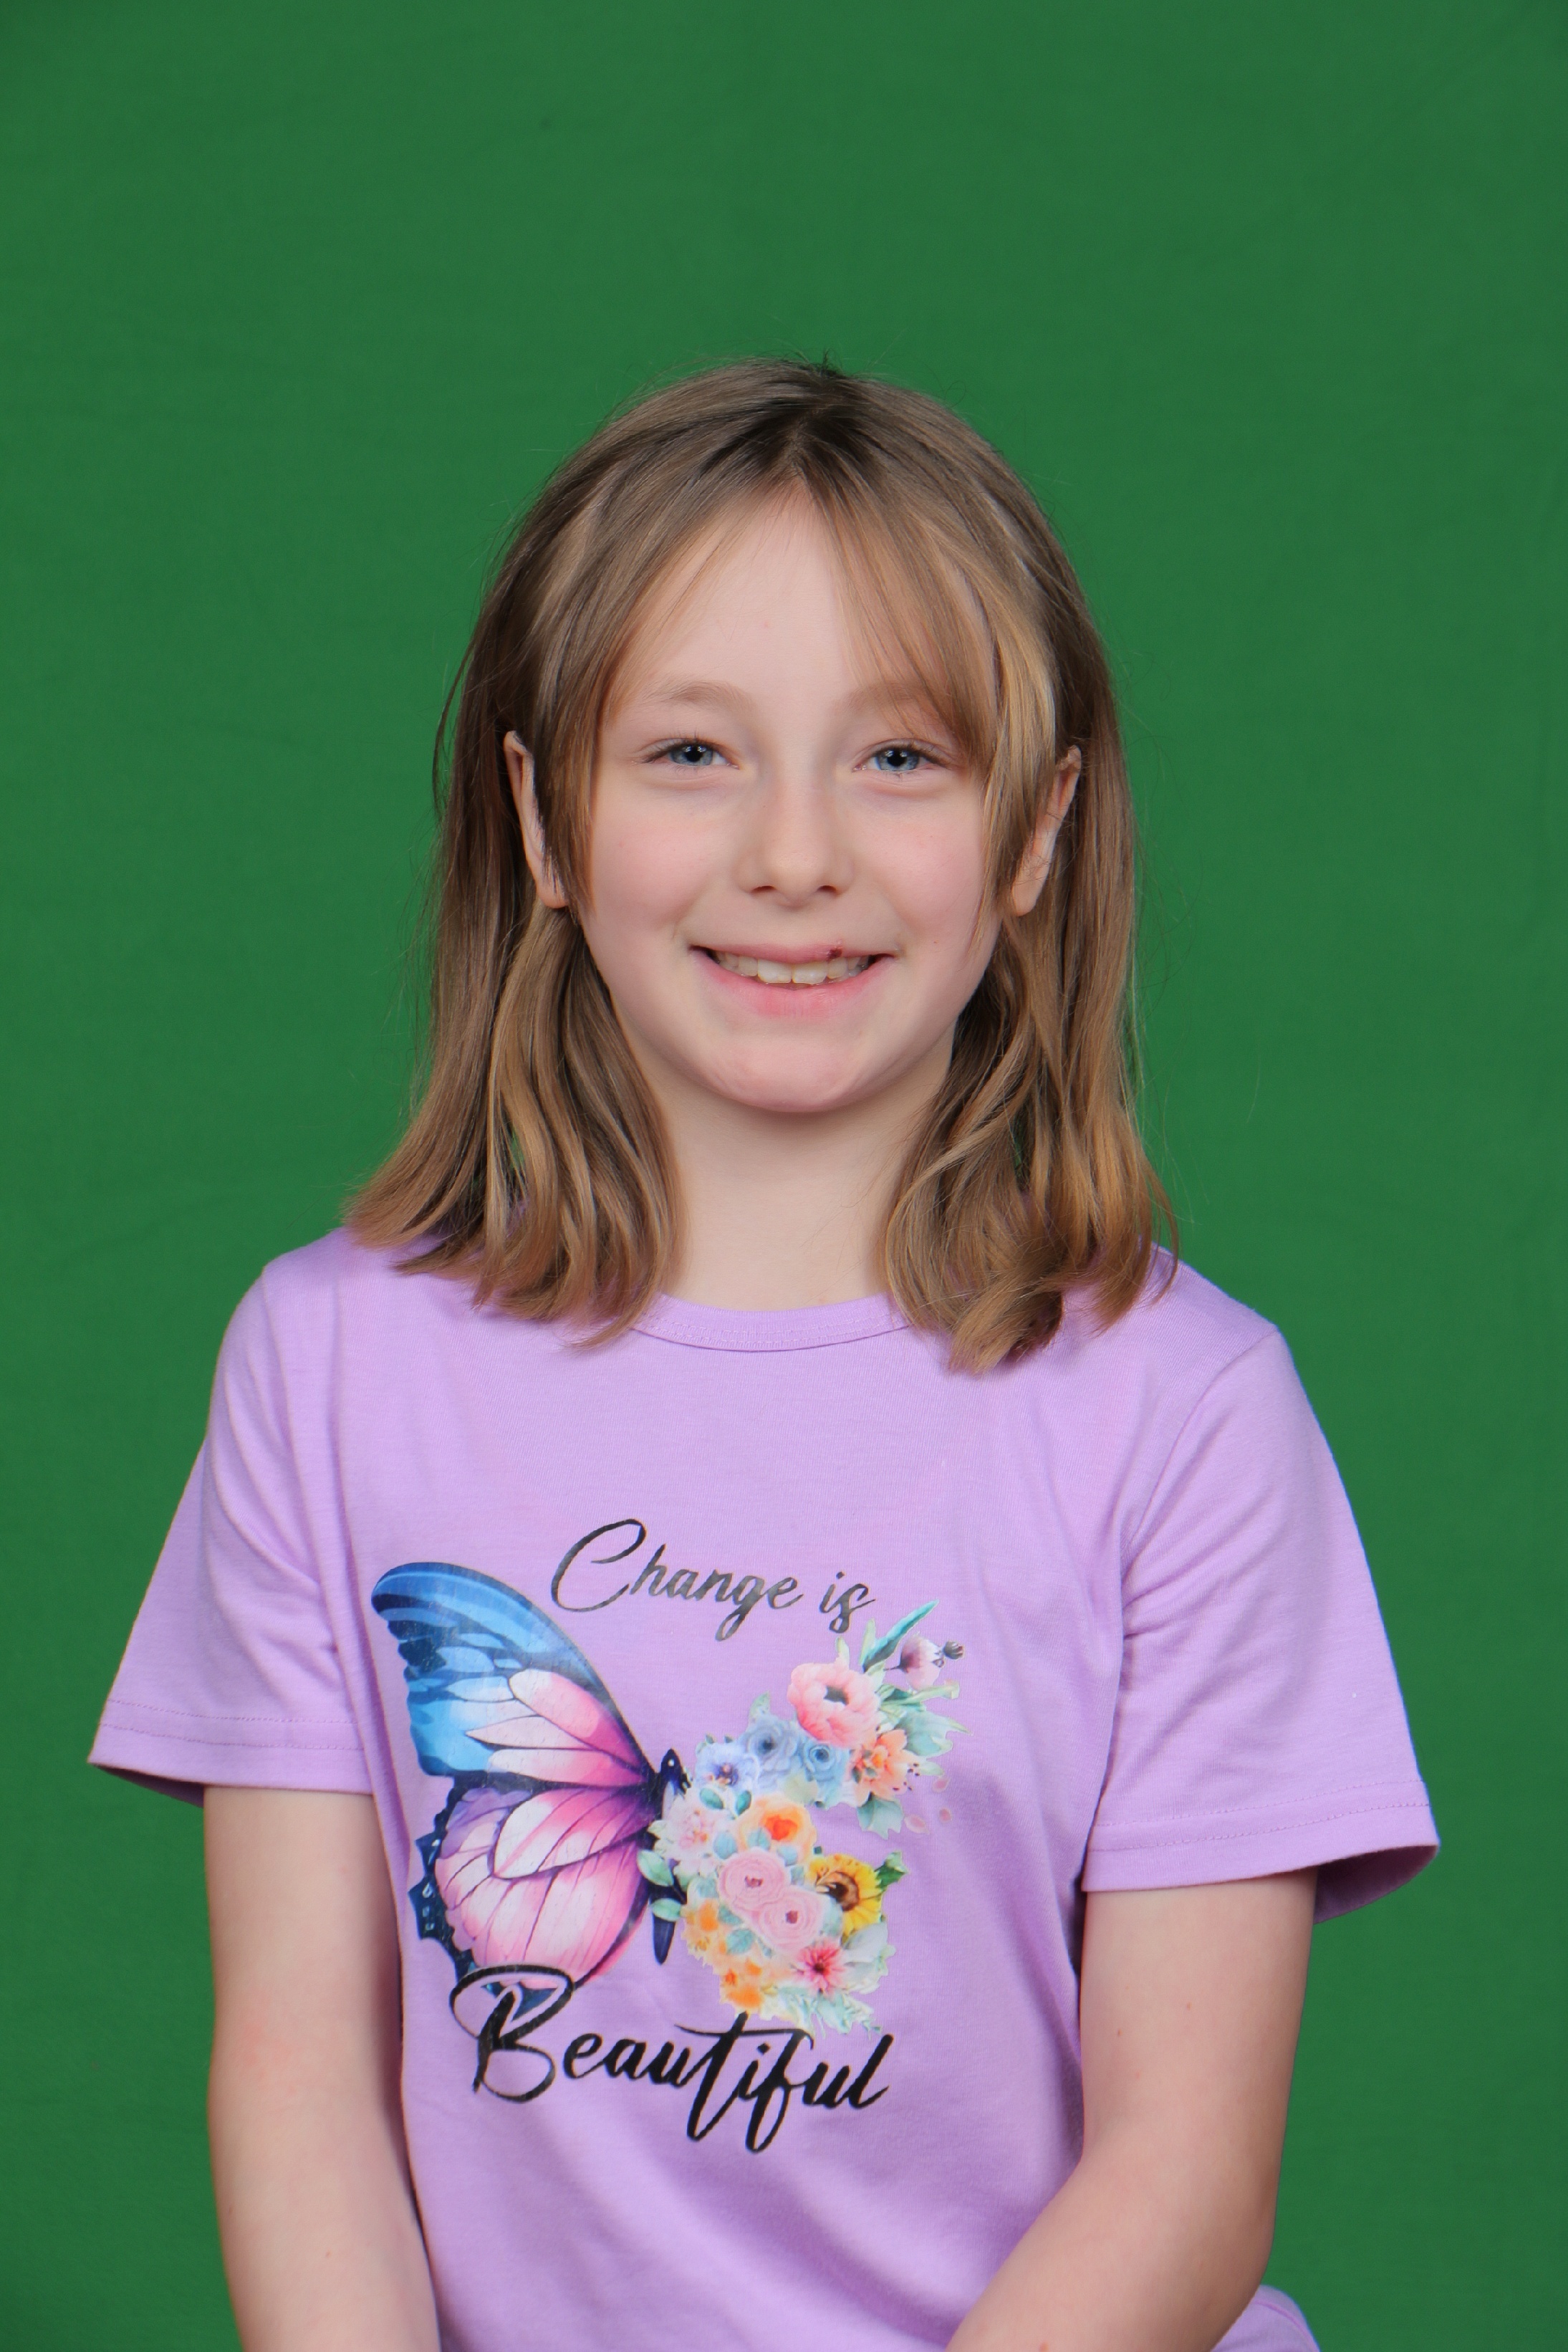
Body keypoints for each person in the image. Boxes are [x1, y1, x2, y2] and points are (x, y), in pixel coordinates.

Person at [92, 360, 1437, 2352]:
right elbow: (303, 2092)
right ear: (542, 818)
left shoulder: (1191, 1415)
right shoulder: (328, 1366)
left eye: (898, 756)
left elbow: (1185, 2175)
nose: (794, 852)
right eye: (691, 752)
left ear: (1036, 829)